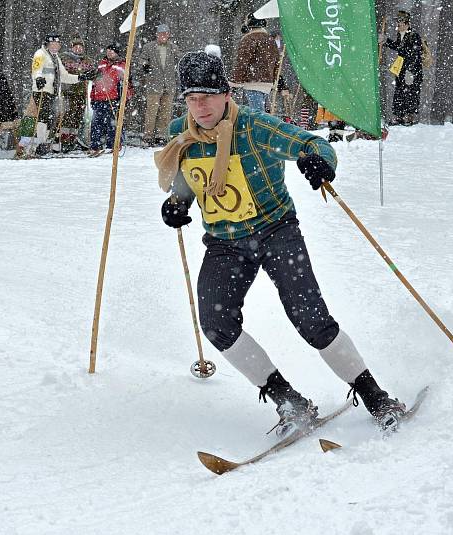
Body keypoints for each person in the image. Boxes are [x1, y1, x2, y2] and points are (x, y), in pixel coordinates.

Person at [154, 51, 406, 436]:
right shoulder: (183, 134)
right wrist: (177, 202)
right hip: (225, 242)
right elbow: (188, 177)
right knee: (216, 323)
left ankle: (376, 396)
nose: (199, 107)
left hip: (276, 232)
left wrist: (318, 162)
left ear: (225, 94)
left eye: (206, 96)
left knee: (311, 319)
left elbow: (315, 145)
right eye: (190, 98)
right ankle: (289, 401)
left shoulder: (255, 127)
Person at [31, 32, 95, 156]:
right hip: (42, 89)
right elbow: (36, 68)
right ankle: (40, 143)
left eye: (57, 44)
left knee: (51, 118)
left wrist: (80, 77)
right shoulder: (41, 53)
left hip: (53, 91)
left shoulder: (56, 58)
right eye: (53, 44)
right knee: (43, 117)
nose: (56, 46)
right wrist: (38, 78)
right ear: (48, 44)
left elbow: (64, 76)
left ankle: (48, 144)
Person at [138, 23, 181, 146]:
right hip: (154, 84)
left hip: (169, 84)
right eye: (161, 33)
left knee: (166, 112)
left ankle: (161, 135)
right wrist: (145, 65)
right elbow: (141, 59)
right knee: (151, 111)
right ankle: (148, 136)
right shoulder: (149, 47)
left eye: (166, 33)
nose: (163, 36)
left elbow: (180, 59)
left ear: (169, 35)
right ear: (157, 35)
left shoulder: (173, 47)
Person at [88, 43, 132, 156]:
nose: (109, 53)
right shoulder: (102, 64)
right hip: (99, 98)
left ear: (116, 53)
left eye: (111, 51)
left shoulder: (121, 64)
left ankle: (112, 145)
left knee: (112, 123)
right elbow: (95, 82)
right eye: (108, 51)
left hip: (113, 98)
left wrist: (124, 97)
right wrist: (92, 97)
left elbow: (125, 81)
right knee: (96, 122)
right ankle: (95, 145)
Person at [231, 13, 280, 112]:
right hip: (267, 84)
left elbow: (242, 62)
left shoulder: (249, 39)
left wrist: (235, 82)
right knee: (263, 115)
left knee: (256, 116)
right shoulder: (270, 40)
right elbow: (277, 63)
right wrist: (273, 80)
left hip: (253, 82)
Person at [383, 10, 423, 126]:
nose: (397, 26)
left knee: (410, 93)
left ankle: (408, 117)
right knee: (399, 92)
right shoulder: (400, 35)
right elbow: (398, 47)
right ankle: (399, 115)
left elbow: (414, 54)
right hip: (402, 69)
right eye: (397, 23)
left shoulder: (413, 36)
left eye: (399, 23)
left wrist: (410, 71)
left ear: (406, 24)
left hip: (412, 70)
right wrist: (386, 41)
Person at [60, 37, 95, 151]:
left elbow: (93, 72)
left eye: (80, 47)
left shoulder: (87, 59)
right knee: (67, 115)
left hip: (81, 92)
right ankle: (64, 140)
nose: (78, 49)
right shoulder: (64, 57)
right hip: (68, 91)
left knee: (78, 115)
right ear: (72, 48)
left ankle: (73, 139)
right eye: (76, 47)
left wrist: (92, 74)